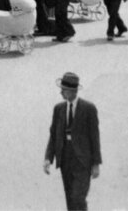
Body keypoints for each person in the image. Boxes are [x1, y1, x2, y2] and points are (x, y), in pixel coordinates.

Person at [43, 72, 102, 211]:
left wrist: (96, 163)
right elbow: (53, 135)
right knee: (70, 199)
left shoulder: (89, 109)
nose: (61, 93)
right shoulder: (58, 109)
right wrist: (48, 158)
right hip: (65, 160)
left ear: (72, 91)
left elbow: (94, 137)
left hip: (83, 161)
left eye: (63, 90)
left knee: (78, 197)